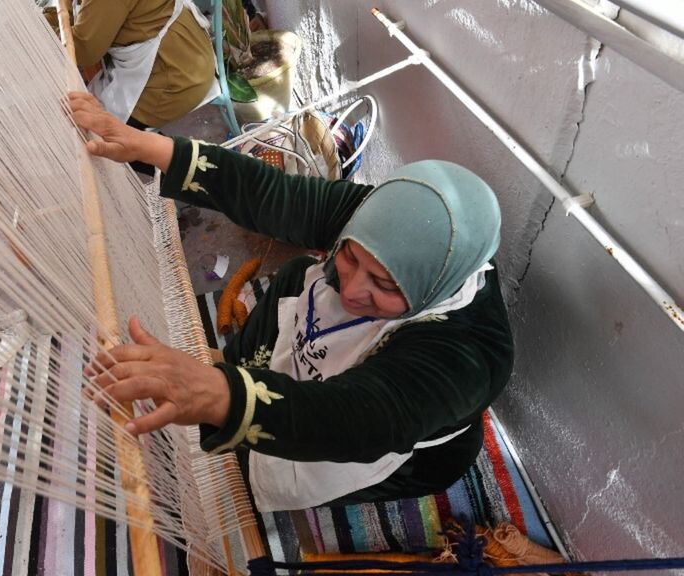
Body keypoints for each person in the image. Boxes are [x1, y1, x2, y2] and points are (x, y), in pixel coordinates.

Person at [71, 92, 513, 511]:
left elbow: (360, 418)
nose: (352, 288)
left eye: (384, 283)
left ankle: (231, 391)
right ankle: (236, 370)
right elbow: (275, 196)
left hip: (396, 454)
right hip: (354, 388)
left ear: (433, 285)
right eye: (350, 255)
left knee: (256, 454)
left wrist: (223, 399)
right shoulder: (377, 216)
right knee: (295, 278)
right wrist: (147, 146)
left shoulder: (470, 356)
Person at [64, 0, 219, 129]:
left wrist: (49, 31)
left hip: (175, 81)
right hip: (189, 53)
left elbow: (85, 51)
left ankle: (144, 160)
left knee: (91, 128)